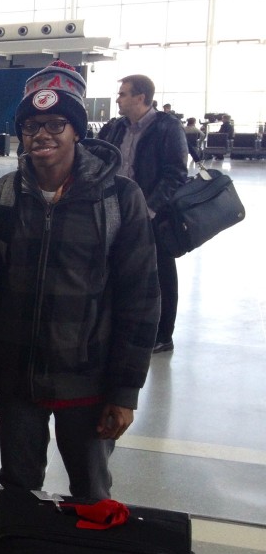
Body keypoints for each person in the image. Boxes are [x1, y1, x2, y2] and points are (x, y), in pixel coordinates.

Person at [0, 61, 160, 502]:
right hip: (18, 384)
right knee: (18, 492)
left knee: (91, 493)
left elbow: (140, 299)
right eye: (31, 125)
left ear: (76, 130)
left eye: (56, 124)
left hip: (88, 383)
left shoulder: (119, 199)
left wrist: (125, 390)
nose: (42, 135)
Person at [103, 74, 187, 354]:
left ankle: (163, 335)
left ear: (140, 98)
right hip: (117, 210)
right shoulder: (116, 128)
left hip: (154, 215)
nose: (118, 98)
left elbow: (175, 174)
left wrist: (149, 210)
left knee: (161, 274)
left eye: (123, 94)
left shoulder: (167, 127)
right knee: (117, 268)